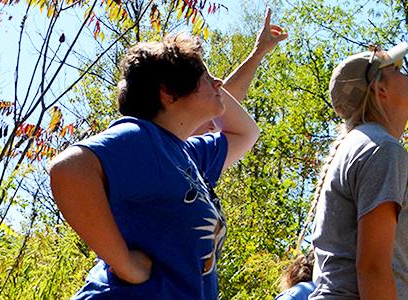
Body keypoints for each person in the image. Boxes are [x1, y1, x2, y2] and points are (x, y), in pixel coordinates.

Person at [47, 8, 287, 299]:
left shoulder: (188, 156)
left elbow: (245, 132)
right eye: (205, 76)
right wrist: (125, 264)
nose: (218, 82)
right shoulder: (142, 137)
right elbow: (68, 170)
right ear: (168, 93)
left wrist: (257, 54)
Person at [307, 42, 408, 300]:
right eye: (397, 69)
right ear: (379, 88)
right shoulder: (382, 148)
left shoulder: (362, 143)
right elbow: (372, 267)